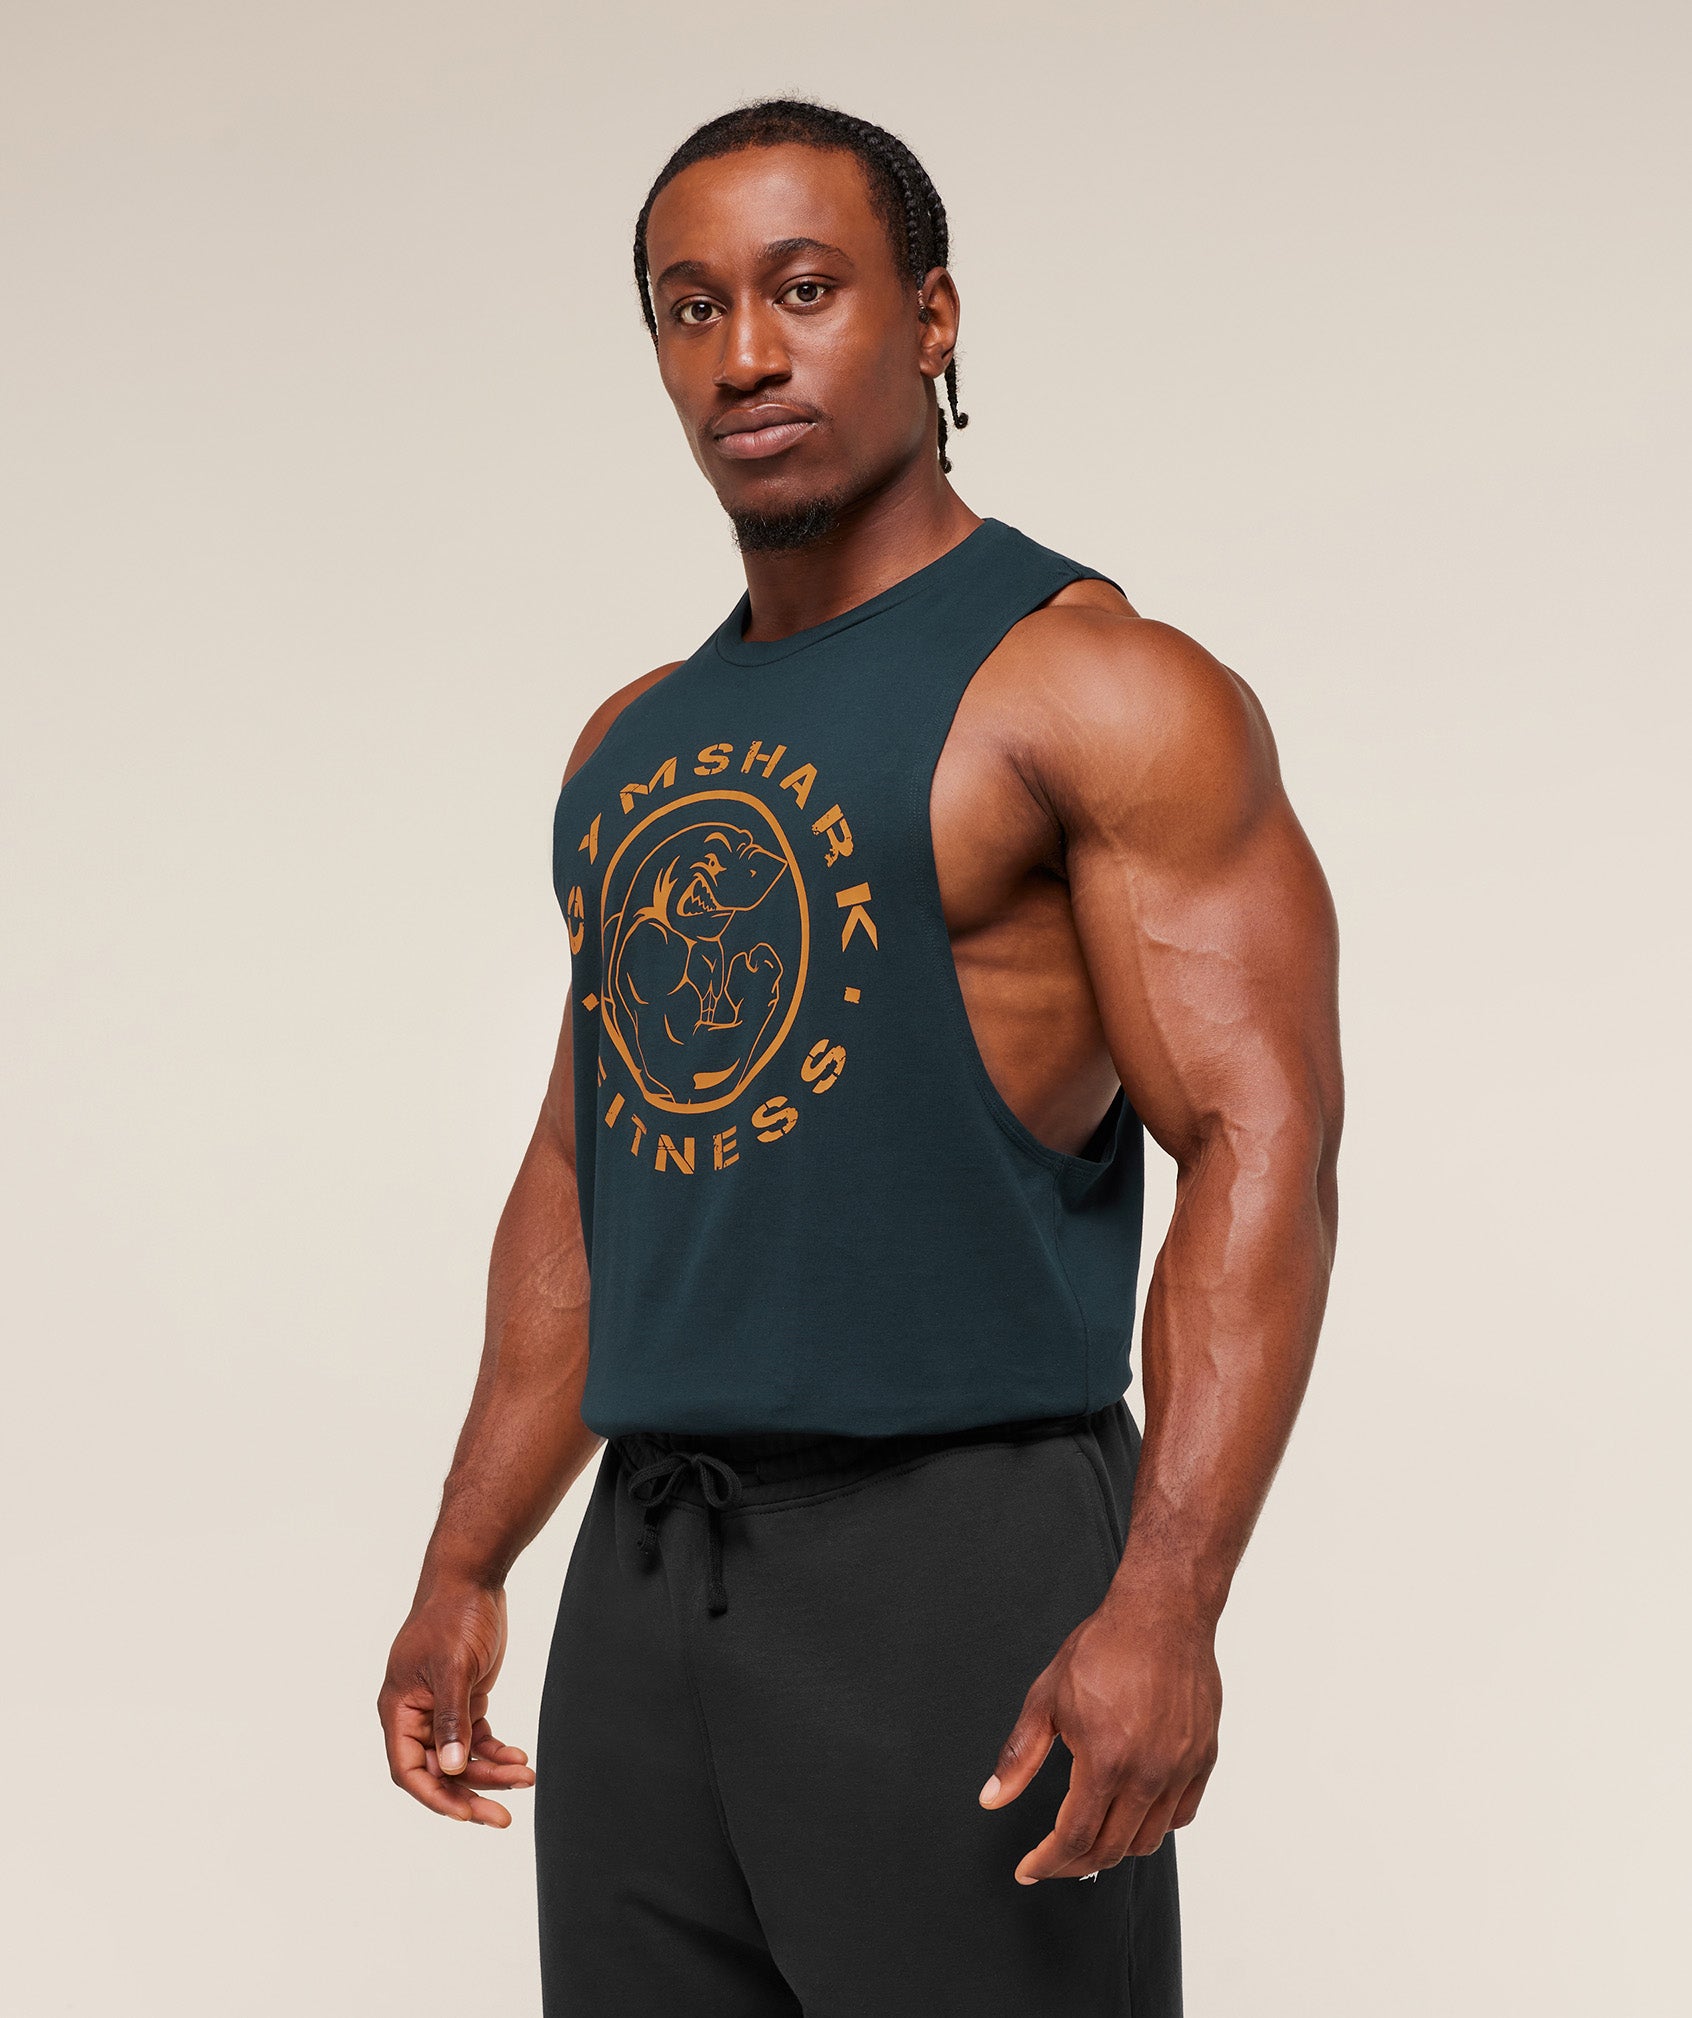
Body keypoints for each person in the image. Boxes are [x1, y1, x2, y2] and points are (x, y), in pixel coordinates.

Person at [378, 98, 1342, 2018]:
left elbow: (1264, 1139)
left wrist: (1169, 1597)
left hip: (958, 1563)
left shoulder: (1097, 687)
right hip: (650, 1581)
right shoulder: (631, 742)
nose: (746, 351)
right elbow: (588, 1165)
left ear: (933, 319)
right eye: (693, 307)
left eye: (805, 289)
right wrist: (468, 1557)